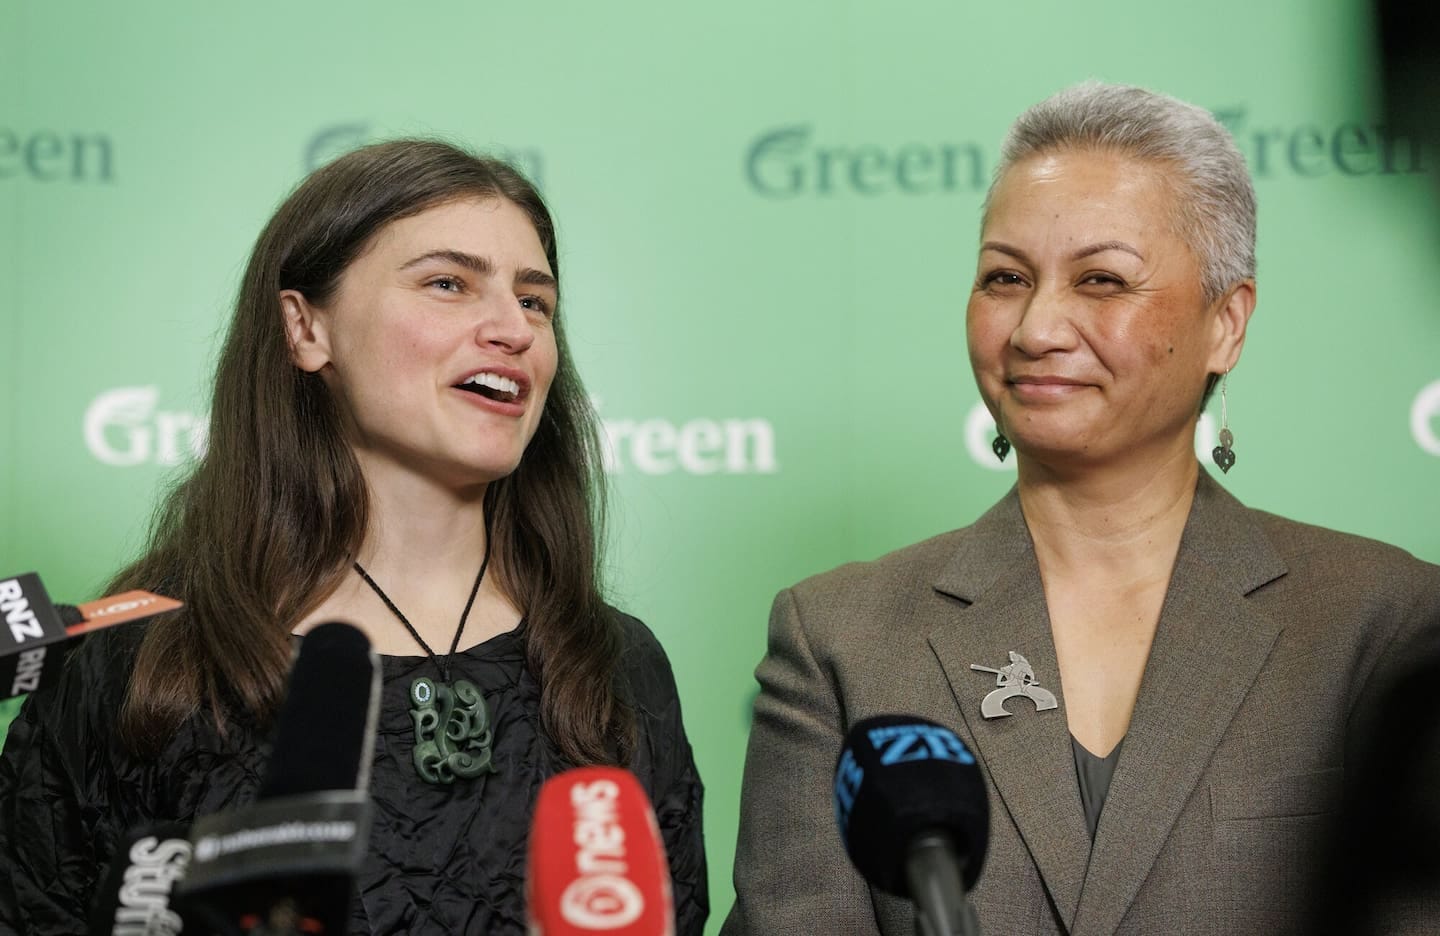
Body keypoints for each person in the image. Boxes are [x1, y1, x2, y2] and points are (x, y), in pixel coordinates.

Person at [723, 83, 1440, 935]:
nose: (1036, 329)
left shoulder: (1385, 620)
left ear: (1226, 323)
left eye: (1101, 280)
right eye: (1005, 278)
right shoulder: (840, 637)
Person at [0, 140, 707, 934]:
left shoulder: (616, 662)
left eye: (536, 301)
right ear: (306, 328)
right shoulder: (139, 657)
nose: (514, 328)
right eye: (449, 283)